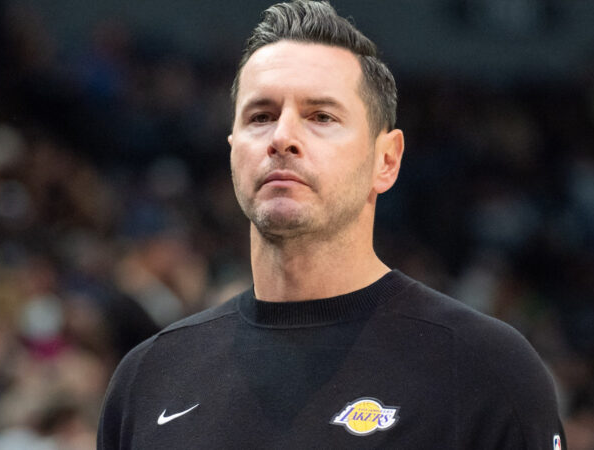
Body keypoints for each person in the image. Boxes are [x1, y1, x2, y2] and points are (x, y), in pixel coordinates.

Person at [97, 1, 567, 448]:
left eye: (320, 116)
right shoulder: (148, 378)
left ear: (386, 160)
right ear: (233, 148)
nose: (282, 137)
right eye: (260, 116)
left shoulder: (487, 370)